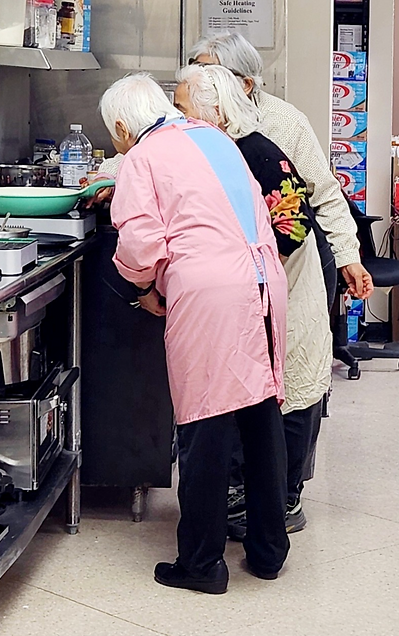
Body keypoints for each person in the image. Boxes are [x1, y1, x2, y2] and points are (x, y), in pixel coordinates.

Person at [101, 72, 290, 594]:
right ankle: (269, 550)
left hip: (209, 291)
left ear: (122, 126)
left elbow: (141, 245)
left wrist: (140, 288)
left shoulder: (142, 156)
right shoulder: (214, 136)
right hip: (263, 284)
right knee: (258, 413)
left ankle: (203, 563)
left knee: (204, 424)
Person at [173, 63, 344, 538]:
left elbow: (291, 226)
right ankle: (249, 510)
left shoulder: (257, 153)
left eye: (183, 109)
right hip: (253, 295)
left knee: (280, 398)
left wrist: (245, 267)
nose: (177, 118)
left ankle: (277, 504)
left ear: (217, 113)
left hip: (280, 289)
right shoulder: (218, 151)